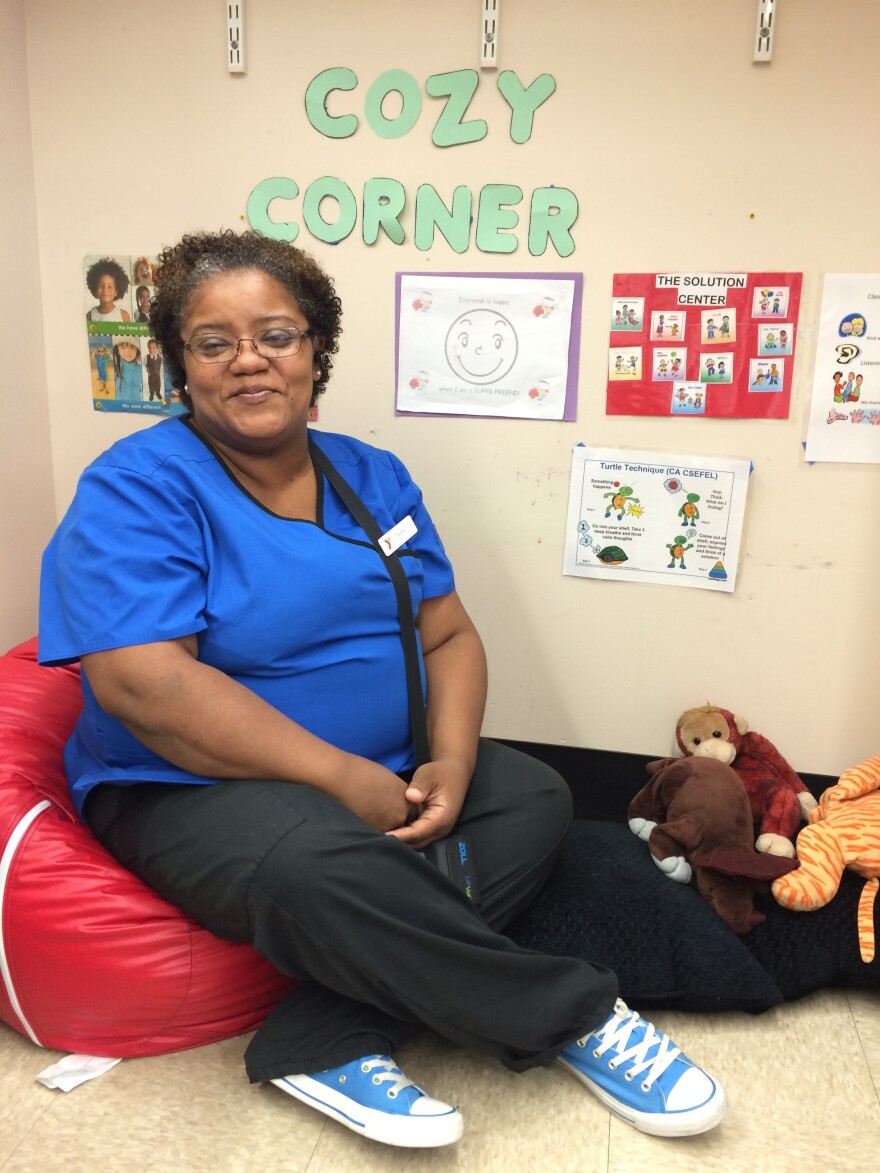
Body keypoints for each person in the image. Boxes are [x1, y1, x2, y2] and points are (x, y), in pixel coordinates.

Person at [40, 230, 725, 1150]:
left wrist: (447, 756)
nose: (249, 359)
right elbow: (144, 682)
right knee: (311, 860)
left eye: (276, 335)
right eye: (213, 341)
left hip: (378, 764)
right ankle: (573, 1014)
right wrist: (337, 777)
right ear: (179, 366)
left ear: (315, 349)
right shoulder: (137, 487)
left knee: (530, 793)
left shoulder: (373, 476)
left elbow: (447, 631)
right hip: (187, 787)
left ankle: (323, 1033)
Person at [85, 257, 132, 323]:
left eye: (110, 286)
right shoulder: (90, 316)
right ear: (95, 289)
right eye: (101, 285)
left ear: (116, 291)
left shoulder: (123, 315)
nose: (105, 289)